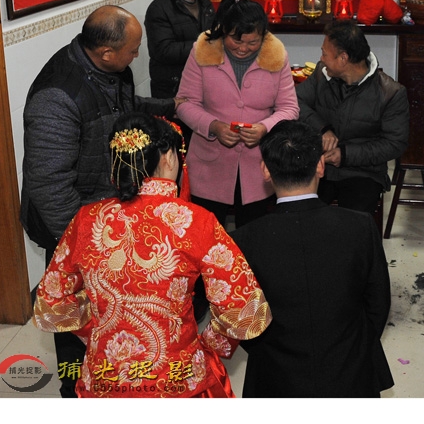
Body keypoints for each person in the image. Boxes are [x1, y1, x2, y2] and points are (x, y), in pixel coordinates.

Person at [32, 113, 271, 398]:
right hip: (176, 377)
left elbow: (52, 303)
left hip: (106, 376)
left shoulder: (87, 219)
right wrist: (208, 345)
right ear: (168, 156)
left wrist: (99, 328)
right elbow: (244, 310)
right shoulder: (194, 221)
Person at [20, 4, 178, 397]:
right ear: (106, 52)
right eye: (133, 50)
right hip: (73, 225)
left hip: (107, 214)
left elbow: (122, 110)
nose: (137, 56)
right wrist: (82, 245)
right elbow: (49, 185)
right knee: (75, 316)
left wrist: (173, 107)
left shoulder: (110, 68)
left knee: (108, 312)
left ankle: (114, 379)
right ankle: (74, 389)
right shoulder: (58, 96)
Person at [230, 120, 393, 397]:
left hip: (276, 377)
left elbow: (243, 320)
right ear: (320, 165)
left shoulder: (243, 240)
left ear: (265, 170)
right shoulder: (360, 226)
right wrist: (349, 347)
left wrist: (273, 353)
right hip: (350, 372)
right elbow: (378, 304)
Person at [176, 0, 298, 228]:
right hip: (209, 165)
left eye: (253, 43)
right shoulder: (202, 51)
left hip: (258, 166)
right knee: (206, 235)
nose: (243, 48)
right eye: (236, 40)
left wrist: (265, 128)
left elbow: (289, 108)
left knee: (253, 236)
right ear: (224, 30)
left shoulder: (276, 55)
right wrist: (213, 126)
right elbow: (184, 103)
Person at [296, 19, 409, 216]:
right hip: (319, 165)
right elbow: (294, 102)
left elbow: (394, 144)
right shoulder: (322, 75)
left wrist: (345, 155)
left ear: (343, 58)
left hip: (363, 172)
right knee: (299, 215)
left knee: (351, 223)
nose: (321, 58)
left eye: (324, 53)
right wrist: (322, 128)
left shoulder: (390, 93)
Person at [145, 0, 215, 99]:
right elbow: (164, 50)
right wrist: (204, 45)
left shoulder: (205, 3)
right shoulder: (159, 8)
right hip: (172, 86)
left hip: (203, 80)